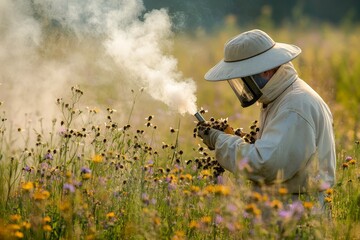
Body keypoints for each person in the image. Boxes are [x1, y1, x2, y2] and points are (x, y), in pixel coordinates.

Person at [198, 29, 336, 205]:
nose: (242, 86)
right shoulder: (283, 96)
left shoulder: (294, 105)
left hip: (299, 214)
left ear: (267, 70)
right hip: (292, 206)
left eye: (244, 77)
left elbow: (265, 164)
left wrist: (221, 141)